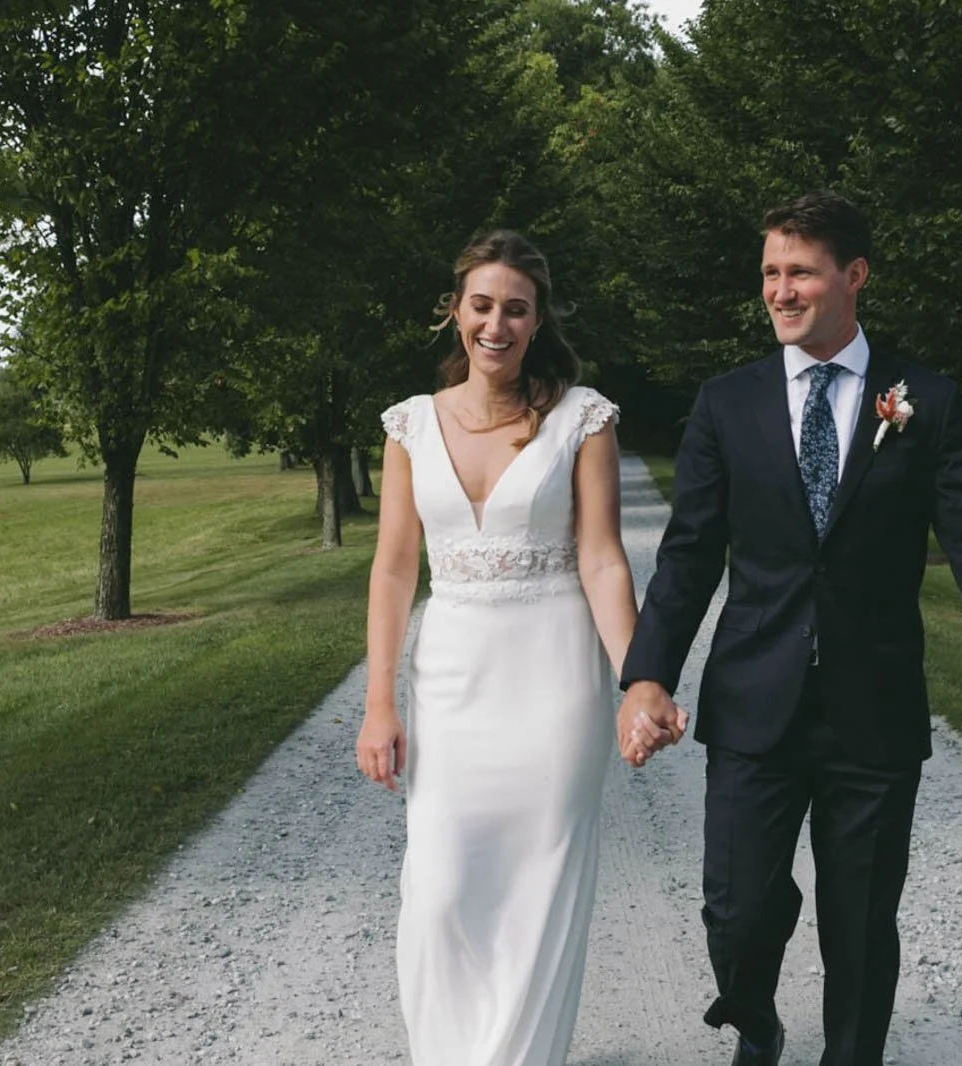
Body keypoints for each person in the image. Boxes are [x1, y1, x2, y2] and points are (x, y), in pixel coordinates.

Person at [615, 191, 962, 1066]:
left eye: (801, 273)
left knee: (861, 921)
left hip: (874, 705)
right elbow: (689, 556)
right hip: (753, 702)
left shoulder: (922, 402)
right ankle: (757, 1018)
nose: (781, 292)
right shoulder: (727, 403)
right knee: (738, 907)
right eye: (770, 274)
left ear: (853, 276)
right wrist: (648, 675)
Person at [355, 230, 682, 1066]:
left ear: (538, 322)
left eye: (516, 309)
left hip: (552, 679)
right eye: (481, 305)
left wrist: (638, 682)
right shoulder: (409, 427)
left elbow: (603, 559)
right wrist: (379, 703)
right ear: (454, 312)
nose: (496, 324)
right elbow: (394, 572)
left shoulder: (583, 417)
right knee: (438, 894)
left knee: (539, 892)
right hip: (451, 678)